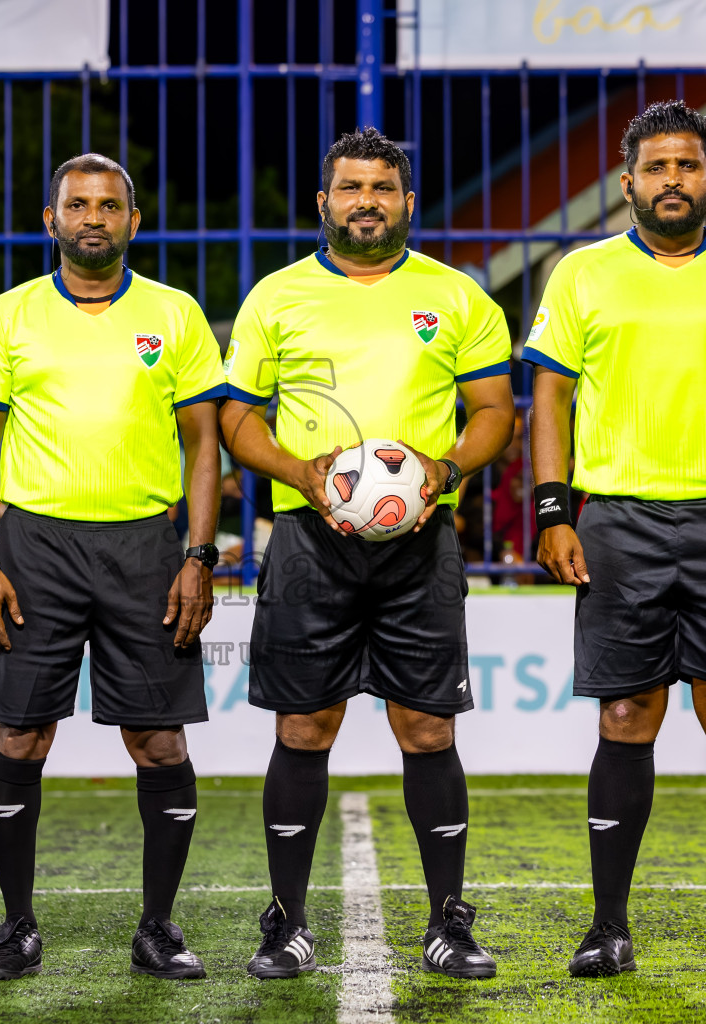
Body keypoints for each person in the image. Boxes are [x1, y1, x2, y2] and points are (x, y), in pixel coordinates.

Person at [525, 100, 706, 979]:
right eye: (657, 167)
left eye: (688, 166)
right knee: (625, 715)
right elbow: (549, 398)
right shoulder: (582, 274)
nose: (673, 180)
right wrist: (552, 510)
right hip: (619, 522)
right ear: (628, 184)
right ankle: (607, 927)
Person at [220, 128, 515, 980]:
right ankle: (287, 921)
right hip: (308, 541)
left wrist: (444, 469)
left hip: (421, 543)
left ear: (407, 202)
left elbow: (494, 411)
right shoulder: (277, 296)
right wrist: (300, 473)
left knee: (427, 726)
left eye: (382, 188)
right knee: (303, 726)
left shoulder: (457, 296)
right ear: (325, 202)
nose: (366, 202)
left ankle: (448, 921)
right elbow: (238, 417)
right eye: (350, 188)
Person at [0, 153, 225, 982]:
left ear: (133, 221)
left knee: (158, 739)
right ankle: (16, 928)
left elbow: (204, 444)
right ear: (51, 220)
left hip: (145, 548)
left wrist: (199, 555)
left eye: (109, 205)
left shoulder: (175, 314)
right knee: (21, 734)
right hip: (33, 548)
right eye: (77, 205)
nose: (93, 218)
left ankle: (158, 928)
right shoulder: (10, 314)